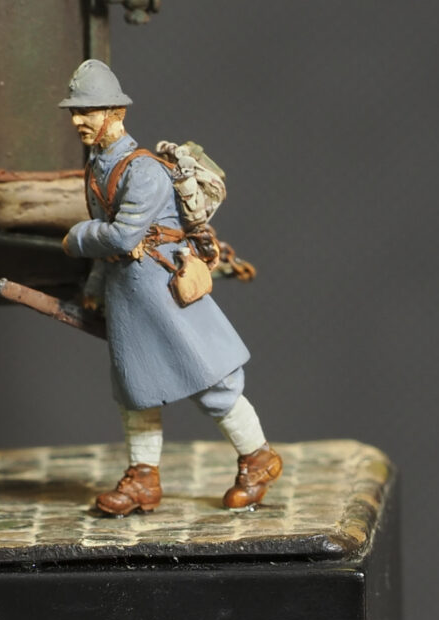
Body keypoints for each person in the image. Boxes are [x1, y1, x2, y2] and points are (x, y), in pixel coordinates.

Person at [58, 59, 282, 515]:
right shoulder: (98, 167)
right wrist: (96, 285)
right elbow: (111, 243)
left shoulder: (143, 170)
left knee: (212, 380)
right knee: (135, 389)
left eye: (89, 111)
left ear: (116, 113)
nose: (79, 120)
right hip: (129, 297)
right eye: (75, 112)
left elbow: (122, 236)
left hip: (165, 292)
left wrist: (76, 237)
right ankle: (143, 479)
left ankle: (258, 458)